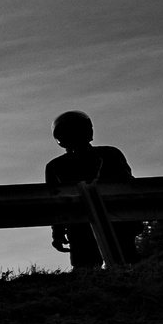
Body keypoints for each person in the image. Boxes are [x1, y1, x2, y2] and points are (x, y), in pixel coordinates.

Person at [45, 110, 137, 270]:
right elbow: (129, 188)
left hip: (88, 224)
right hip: (112, 220)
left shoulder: (55, 166)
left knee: (88, 269)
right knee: (124, 264)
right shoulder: (110, 153)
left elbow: (56, 202)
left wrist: (58, 232)